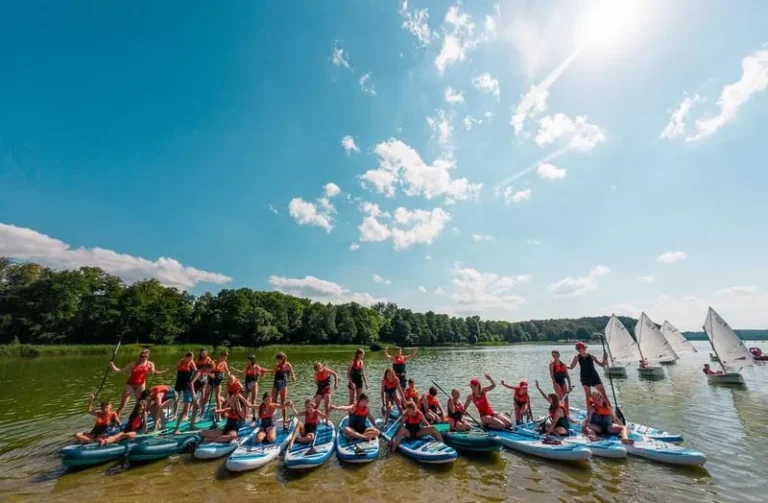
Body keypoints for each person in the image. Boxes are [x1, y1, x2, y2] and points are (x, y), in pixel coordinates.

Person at [108, 348, 168, 418]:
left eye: (146, 356)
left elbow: (153, 372)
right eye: (142, 356)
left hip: (141, 385)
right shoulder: (133, 363)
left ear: (148, 357)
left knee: (140, 404)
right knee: (122, 405)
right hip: (130, 385)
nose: (144, 358)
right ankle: (115, 418)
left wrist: (164, 372)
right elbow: (121, 371)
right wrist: (112, 366)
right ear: (140, 356)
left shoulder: (150, 364)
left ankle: (137, 418)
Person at [568, 342, 611, 407]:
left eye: (579, 348)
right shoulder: (577, 357)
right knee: (588, 396)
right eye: (577, 348)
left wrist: (605, 358)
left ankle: (610, 410)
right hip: (584, 377)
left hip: (594, 376)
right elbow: (571, 367)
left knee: (603, 394)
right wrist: (563, 365)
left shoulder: (591, 356)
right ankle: (590, 412)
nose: (578, 349)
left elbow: (602, 365)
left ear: (584, 348)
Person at [271, 352, 296, 429]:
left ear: (283, 359)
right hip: (276, 383)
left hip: (283, 384)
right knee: (273, 401)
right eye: (277, 359)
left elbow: (292, 373)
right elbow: (273, 372)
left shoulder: (287, 365)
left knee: (283, 403)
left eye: (279, 359)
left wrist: (293, 377)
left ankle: (285, 421)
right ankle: (271, 417)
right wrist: (275, 366)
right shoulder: (277, 365)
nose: (278, 360)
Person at [172, 352, 197, 417]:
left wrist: (193, 380)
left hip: (186, 384)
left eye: (192, 358)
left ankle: (186, 415)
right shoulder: (181, 361)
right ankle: (175, 415)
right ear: (185, 357)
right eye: (190, 358)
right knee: (176, 399)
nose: (191, 359)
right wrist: (163, 372)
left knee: (186, 400)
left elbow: (196, 371)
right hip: (179, 382)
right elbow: (173, 368)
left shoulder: (191, 362)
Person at [209, 351, 232, 420]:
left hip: (218, 382)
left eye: (225, 358)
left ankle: (218, 415)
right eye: (222, 357)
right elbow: (207, 371)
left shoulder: (224, 363)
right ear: (219, 356)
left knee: (217, 397)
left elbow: (227, 371)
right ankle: (201, 413)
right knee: (205, 397)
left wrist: (229, 374)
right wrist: (210, 374)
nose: (223, 359)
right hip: (210, 381)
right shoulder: (213, 362)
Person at [243, 355, 267, 419]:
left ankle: (254, 416)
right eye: (247, 360)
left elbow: (262, 376)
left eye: (249, 360)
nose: (247, 361)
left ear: (252, 360)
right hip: (247, 384)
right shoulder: (247, 366)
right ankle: (245, 415)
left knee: (253, 401)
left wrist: (263, 373)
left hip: (254, 384)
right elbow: (244, 373)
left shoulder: (257, 367)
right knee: (244, 400)